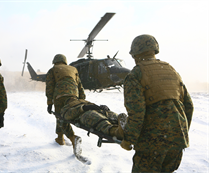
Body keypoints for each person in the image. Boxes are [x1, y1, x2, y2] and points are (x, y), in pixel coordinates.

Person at [120, 34, 194, 172]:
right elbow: (188, 106)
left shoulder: (135, 75)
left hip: (152, 144)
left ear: (134, 53)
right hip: (177, 143)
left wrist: (128, 139)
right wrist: (180, 133)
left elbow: (137, 113)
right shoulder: (172, 71)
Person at [45, 54, 86, 147]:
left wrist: (49, 103)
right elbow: (80, 86)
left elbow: (49, 88)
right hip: (74, 95)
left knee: (60, 117)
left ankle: (71, 137)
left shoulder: (52, 70)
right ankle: (60, 138)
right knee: (68, 115)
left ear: (55, 61)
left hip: (60, 96)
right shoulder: (73, 69)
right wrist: (82, 100)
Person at [59, 96, 126, 141]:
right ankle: (115, 132)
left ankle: (129, 126)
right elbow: (67, 115)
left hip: (98, 111)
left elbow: (94, 105)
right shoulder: (66, 107)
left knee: (113, 115)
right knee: (100, 120)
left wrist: (103, 107)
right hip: (84, 114)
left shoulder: (83, 100)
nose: (72, 99)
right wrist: (83, 108)